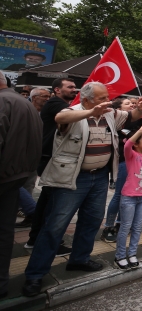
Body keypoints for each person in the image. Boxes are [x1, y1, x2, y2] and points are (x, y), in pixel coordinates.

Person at [22, 82, 142, 297]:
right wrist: (90, 112)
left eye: (107, 96)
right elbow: (60, 119)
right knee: (55, 225)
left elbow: (131, 117)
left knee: (91, 220)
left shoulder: (110, 114)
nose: (107, 100)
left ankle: (79, 259)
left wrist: (141, 108)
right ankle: (35, 274)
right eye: (101, 98)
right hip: (73, 178)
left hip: (99, 177)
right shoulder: (74, 111)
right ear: (87, 99)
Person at [0, 73, 42, 299]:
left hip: (7, 176)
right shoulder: (23, 104)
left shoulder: (4, 102)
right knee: (5, 232)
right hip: (17, 176)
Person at [24, 78, 77, 251]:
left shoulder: (58, 102)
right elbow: (74, 115)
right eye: (69, 87)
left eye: (75, 87)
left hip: (52, 157)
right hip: (50, 158)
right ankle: (43, 242)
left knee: (48, 200)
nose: (74, 90)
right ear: (57, 90)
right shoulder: (56, 104)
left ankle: (36, 239)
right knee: (53, 202)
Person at [101, 96, 142, 243]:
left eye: (132, 103)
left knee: (129, 198)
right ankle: (109, 226)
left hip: (138, 164)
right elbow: (128, 143)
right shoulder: (117, 124)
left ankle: (122, 224)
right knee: (119, 195)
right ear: (119, 110)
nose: (132, 105)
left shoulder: (139, 122)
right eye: (128, 104)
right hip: (123, 162)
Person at [114, 123, 142, 270]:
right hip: (129, 196)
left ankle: (132, 253)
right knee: (125, 227)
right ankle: (120, 255)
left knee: (138, 227)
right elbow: (127, 146)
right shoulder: (131, 155)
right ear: (136, 143)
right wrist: (140, 130)